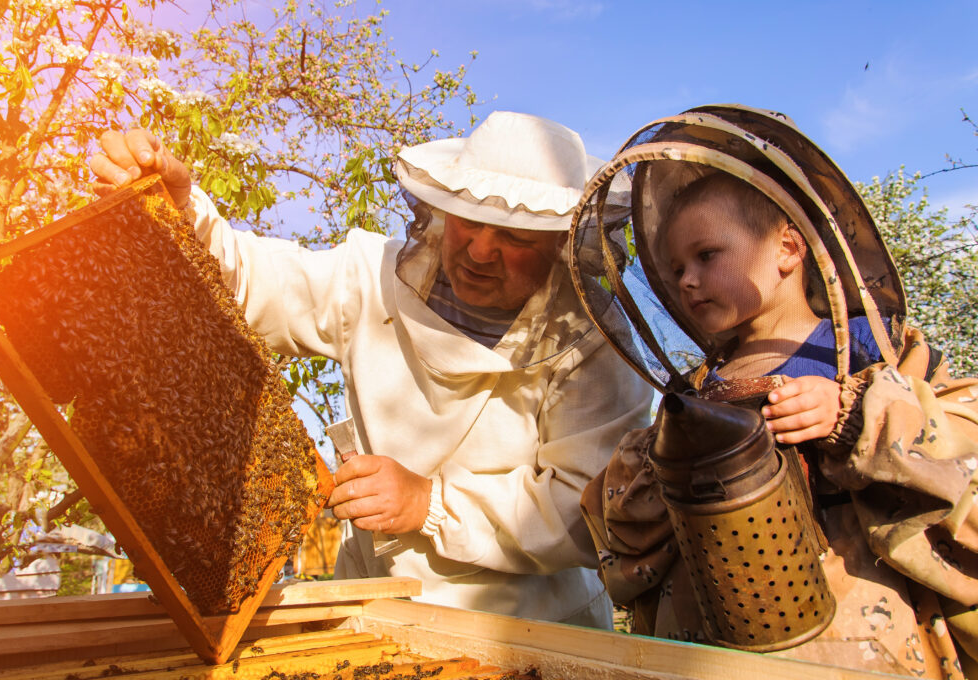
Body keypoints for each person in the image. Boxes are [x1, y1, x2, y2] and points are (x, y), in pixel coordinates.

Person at [90, 111, 654, 628]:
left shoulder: (593, 341)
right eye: (468, 222)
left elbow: (590, 506)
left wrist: (429, 501)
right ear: (442, 209)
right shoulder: (371, 275)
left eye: (514, 235)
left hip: (533, 628)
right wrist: (184, 215)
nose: (481, 251)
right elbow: (256, 284)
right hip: (370, 604)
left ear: (560, 242)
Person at [575, 105, 978, 677]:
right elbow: (628, 542)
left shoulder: (869, 352)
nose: (686, 280)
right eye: (675, 267)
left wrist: (853, 412)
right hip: (711, 654)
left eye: (707, 255)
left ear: (788, 248)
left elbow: (960, 442)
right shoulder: (696, 393)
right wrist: (654, 467)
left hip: (859, 648)